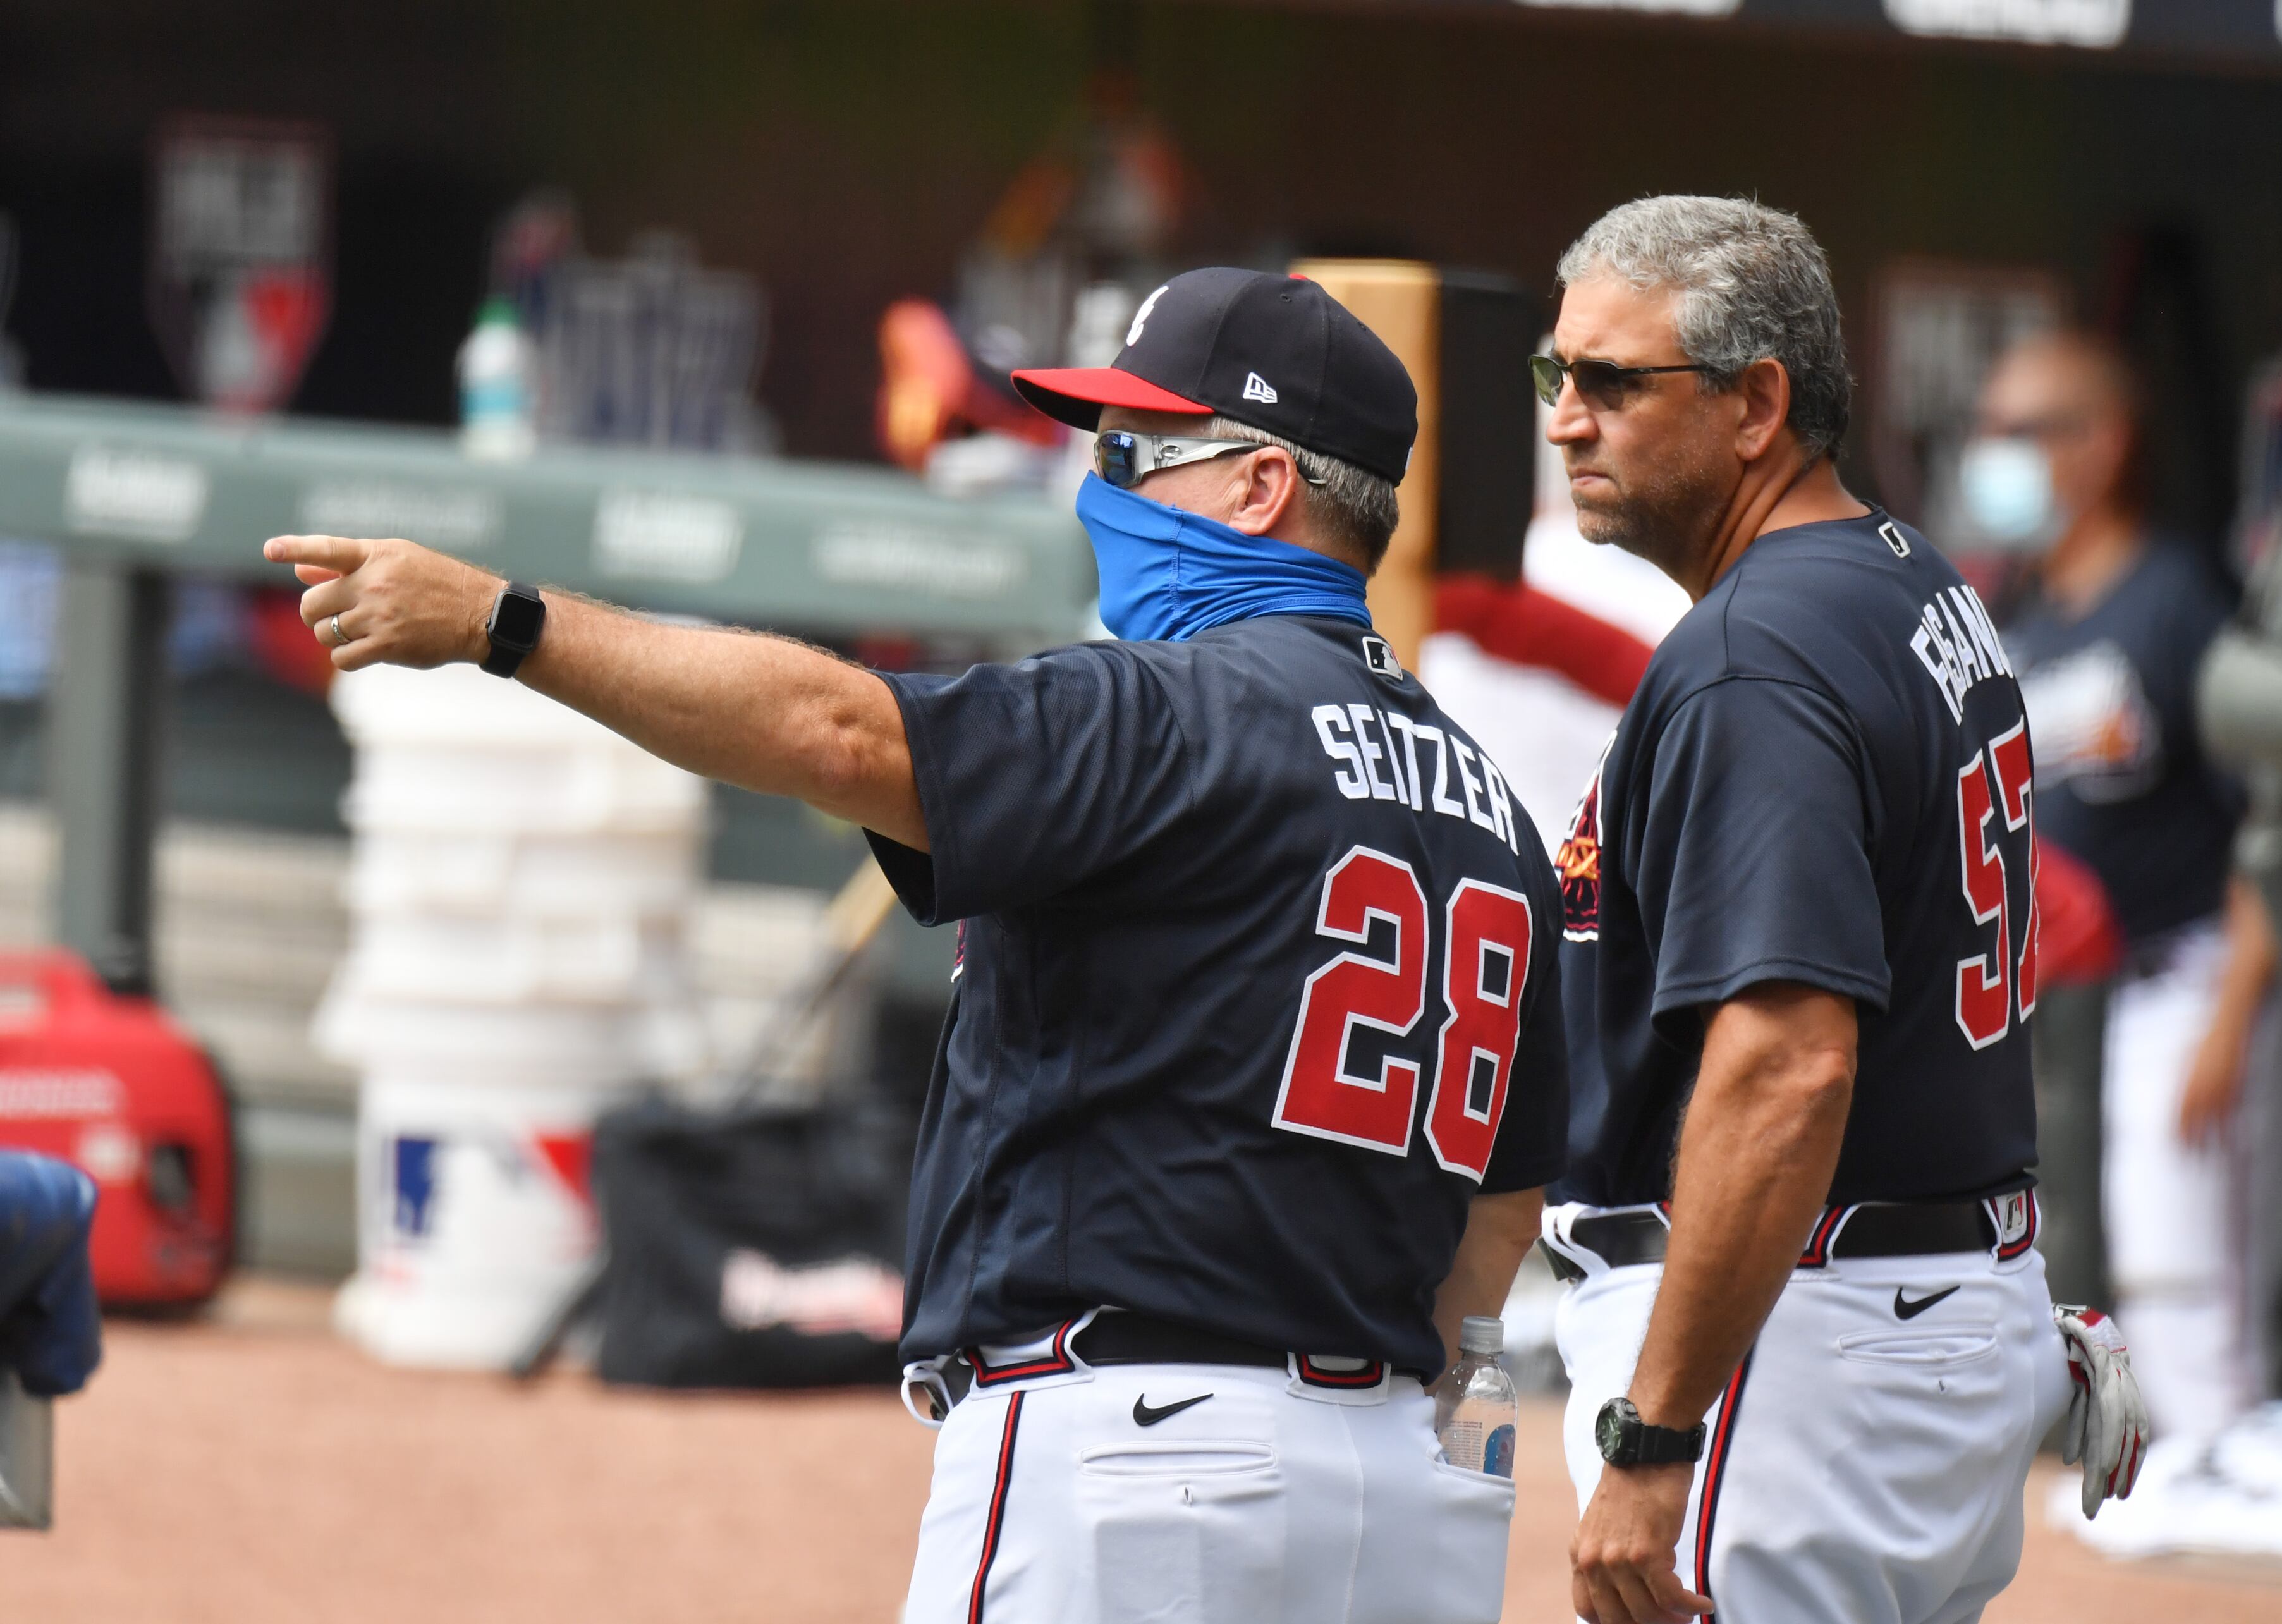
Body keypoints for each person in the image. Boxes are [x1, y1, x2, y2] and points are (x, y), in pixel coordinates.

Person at [264, 267, 1570, 1624]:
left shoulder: (1167, 709)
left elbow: (838, 733)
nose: (1099, 490)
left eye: (1135, 453)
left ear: (1260, 489)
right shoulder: (1492, 810)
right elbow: (1496, 1219)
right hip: (1397, 1494)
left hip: (1140, 1453)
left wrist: (504, 624)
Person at [1535, 196, 2145, 1624]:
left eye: (1616, 381)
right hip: (1932, 1307)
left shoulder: (1758, 652)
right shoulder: (1907, 574)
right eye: (1558, 376)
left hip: (1804, 1342)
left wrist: (1658, 1433)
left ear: (1759, 405)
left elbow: (1791, 1063)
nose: (1570, 417)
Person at [1967, 330, 2281, 1445]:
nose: (1989, 456)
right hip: (2057, 1006)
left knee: (2182, 1278)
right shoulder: (2019, 618)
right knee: (2090, 1288)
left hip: (2183, 970)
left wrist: (2235, 1013)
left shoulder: (2180, 597)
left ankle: (2230, 1497)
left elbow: (2275, 816)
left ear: (2101, 444)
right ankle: (2171, 1518)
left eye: (2019, 431)